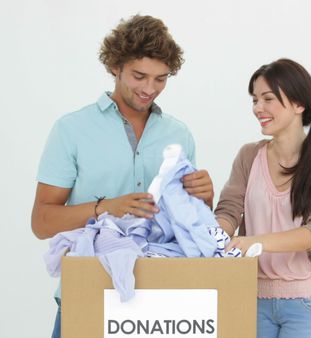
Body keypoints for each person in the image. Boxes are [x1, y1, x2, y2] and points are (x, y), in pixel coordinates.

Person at [31, 15, 213, 338]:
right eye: (139, 76)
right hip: (88, 295)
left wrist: (204, 196)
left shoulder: (179, 134)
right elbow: (42, 221)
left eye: (161, 79)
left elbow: (192, 225)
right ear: (115, 66)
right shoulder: (71, 130)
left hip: (162, 306)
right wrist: (104, 208)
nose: (149, 89)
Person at [214, 58, 311, 338]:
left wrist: (255, 243)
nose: (258, 108)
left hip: (310, 303)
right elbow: (228, 210)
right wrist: (214, 236)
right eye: (254, 100)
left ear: (299, 105)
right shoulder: (249, 156)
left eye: (268, 99)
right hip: (253, 298)